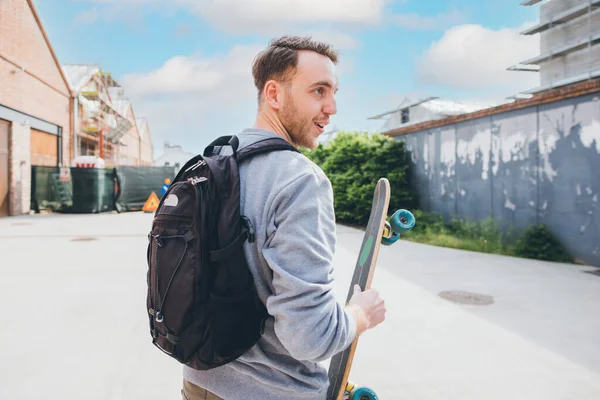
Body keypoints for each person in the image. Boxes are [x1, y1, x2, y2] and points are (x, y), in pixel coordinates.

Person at [181, 35, 386, 400]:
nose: (332, 107)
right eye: (319, 91)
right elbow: (310, 337)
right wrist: (359, 315)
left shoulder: (210, 165)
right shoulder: (300, 180)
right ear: (274, 95)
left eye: (334, 92)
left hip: (199, 383)